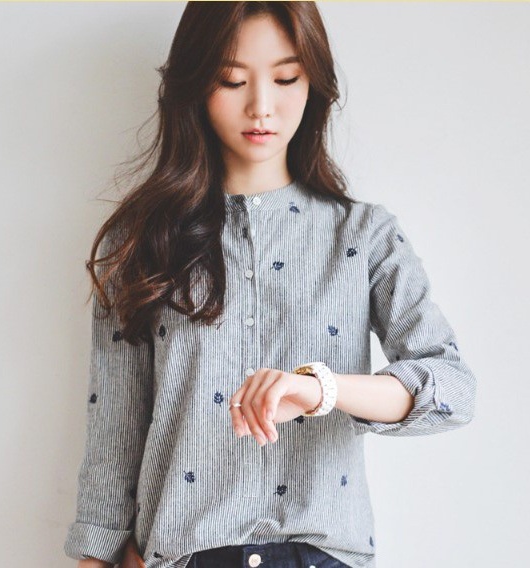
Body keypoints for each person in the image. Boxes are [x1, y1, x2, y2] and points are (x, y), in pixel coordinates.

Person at [63, 3, 477, 568]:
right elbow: (114, 433)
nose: (261, 106)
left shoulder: (364, 237)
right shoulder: (141, 243)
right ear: (195, 86)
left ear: (314, 84)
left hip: (322, 555)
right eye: (231, 80)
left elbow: (453, 391)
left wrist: (322, 389)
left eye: (286, 79)